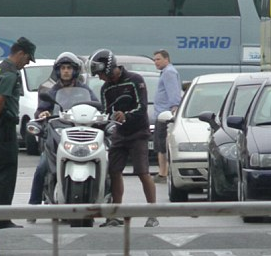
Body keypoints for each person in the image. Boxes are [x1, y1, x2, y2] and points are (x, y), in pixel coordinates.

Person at [89, 49, 158, 227]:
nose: (100, 78)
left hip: (138, 133)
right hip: (119, 134)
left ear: (110, 68)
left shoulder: (135, 80)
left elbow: (142, 107)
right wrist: (100, 120)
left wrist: (125, 115)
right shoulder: (106, 88)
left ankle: (153, 214)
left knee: (143, 172)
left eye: (100, 73)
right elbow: (105, 111)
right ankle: (115, 214)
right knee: (114, 172)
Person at [27, 52, 98, 223]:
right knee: (42, 168)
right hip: (58, 134)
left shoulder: (85, 90)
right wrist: (42, 113)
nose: (66, 71)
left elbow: (96, 105)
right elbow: (41, 110)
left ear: (75, 71)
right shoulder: (52, 91)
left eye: (69, 68)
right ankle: (33, 207)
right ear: (58, 71)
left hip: (80, 132)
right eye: (63, 68)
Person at [0, 36, 36, 229]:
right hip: (2, 127)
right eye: (28, 59)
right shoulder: (11, 73)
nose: (26, 63)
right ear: (21, 53)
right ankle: (1, 219)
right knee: (6, 170)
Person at [152, 49, 182, 183]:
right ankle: (163, 172)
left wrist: (174, 108)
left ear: (166, 59)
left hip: (165, 114)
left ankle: (163, 173)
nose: (155, 62)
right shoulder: (166, 72)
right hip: (161, 113)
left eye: (158, 59)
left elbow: (174, 92)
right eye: (154, 60)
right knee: (159, 144)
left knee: (162, 144)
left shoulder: (169, 72)